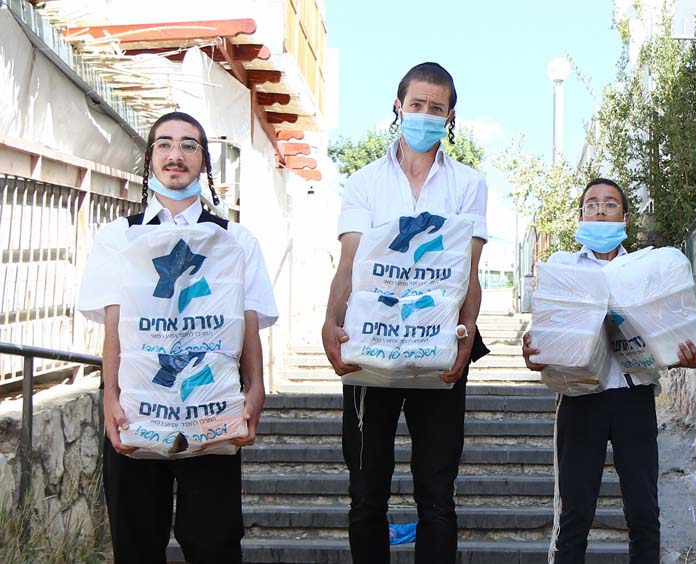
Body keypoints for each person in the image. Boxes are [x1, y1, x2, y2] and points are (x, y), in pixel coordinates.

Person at [77, 111, 278, 564]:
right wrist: (110, 397)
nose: (176, 154)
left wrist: (256, 388)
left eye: (189, 145)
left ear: (204, 162)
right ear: (150, 159)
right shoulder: (118, 237)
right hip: (138, 409)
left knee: (214, 543)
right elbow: (115, 326)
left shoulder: (236, 240)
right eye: (164, 144)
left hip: (211, 407)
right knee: (136, 543)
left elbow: (247, 320)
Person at [321, 62, 489, 564]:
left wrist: (467, 334)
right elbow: (349, 263)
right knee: (365, 492)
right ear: (398, 107)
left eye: (436, 108)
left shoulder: (468, 184)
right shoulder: (365, 182)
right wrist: (331, 322)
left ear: (450, 117)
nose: (425, 115)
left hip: (438, 349)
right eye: (416, 104)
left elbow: (470, 270)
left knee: (437, 495)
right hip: (370, 348)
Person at [522, 178, 696, 564]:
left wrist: (686, 352)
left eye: (610, 204)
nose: (600, 211)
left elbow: (667, 329)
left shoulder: (644, 271)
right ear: (580, 216)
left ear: (625, 217)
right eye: (591, 204)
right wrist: (533, 351)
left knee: (643, 513)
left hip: (633, 398)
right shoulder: (562, 268)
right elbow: (545, 331)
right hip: (579, 399)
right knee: (574, 517)